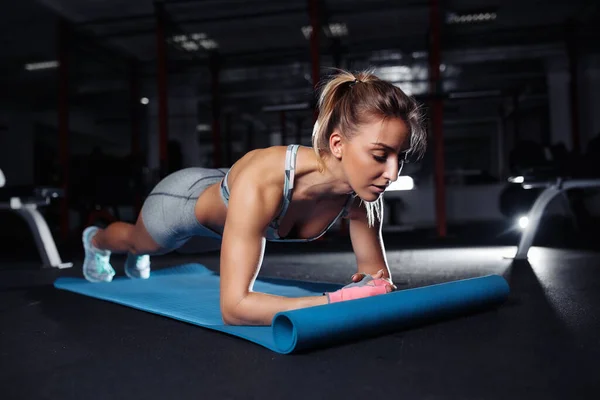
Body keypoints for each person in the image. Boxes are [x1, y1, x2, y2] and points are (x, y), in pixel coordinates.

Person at [81, 69, 427, 326]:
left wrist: (372, 287)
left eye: (400, 157)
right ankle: (96, 241)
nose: (393, 174)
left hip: (226, 224)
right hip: (181, 204)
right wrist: (332, 303)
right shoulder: (266, 181)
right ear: (337, 144)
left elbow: (377, 280)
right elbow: (235, 308)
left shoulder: (364, 196)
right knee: (140, 243)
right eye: (380, 155)